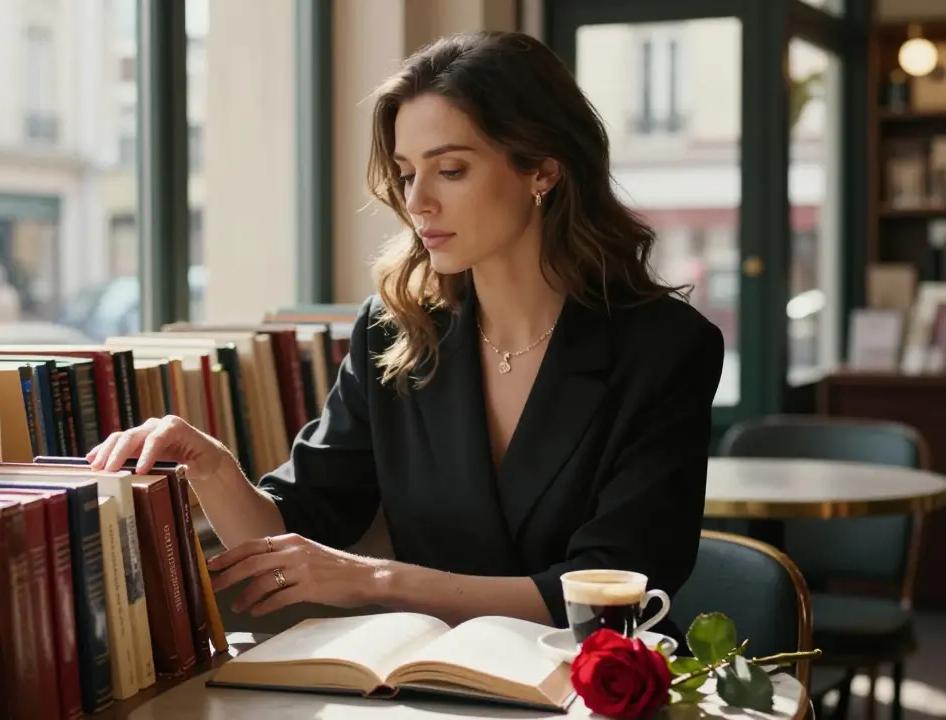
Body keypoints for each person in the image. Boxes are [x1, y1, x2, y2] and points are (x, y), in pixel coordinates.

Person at [87, 31, 724, 642]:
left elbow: (615, 590)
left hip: (598, 688)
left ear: (543, 171)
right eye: (405, 171)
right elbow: (290, 532)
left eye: (449, 170)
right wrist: (215, 470)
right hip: (436, 689)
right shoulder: (396, 332)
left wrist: (380, 581)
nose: (416, 201)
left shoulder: (665, 348)